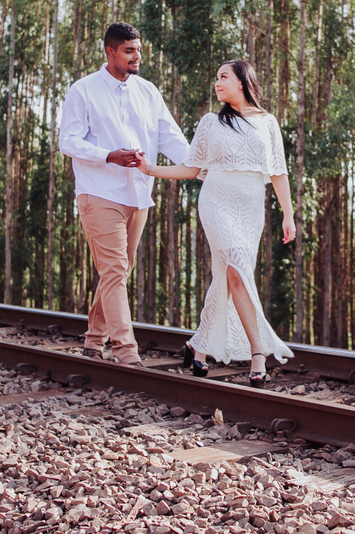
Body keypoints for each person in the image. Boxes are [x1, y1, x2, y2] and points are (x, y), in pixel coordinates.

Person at [137, 59, 295, 387]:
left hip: (250, 206)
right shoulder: (211, 122)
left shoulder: (268, 122)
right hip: (216, 201)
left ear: (242, 82)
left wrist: (288, 214)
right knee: (236, 271)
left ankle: (199, 346)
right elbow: (191, 168)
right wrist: (150, 169)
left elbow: (278, 171)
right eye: (216, 77)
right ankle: (257, 353)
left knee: (227, 276)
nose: (217, 83)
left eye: (224, 77)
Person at [58, 22, 190, 366]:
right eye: (129, 50)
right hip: (99, 191)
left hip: (139, 194)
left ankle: (93, 339)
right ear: (110, 52)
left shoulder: (148, 91)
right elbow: (67, 141)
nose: (137, 56)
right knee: (115, 270)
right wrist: (108, 155)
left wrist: (199, 167)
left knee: (117, 271)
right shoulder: (83, 90)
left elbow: (169, 136)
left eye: (139, 50)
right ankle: (126, 352)